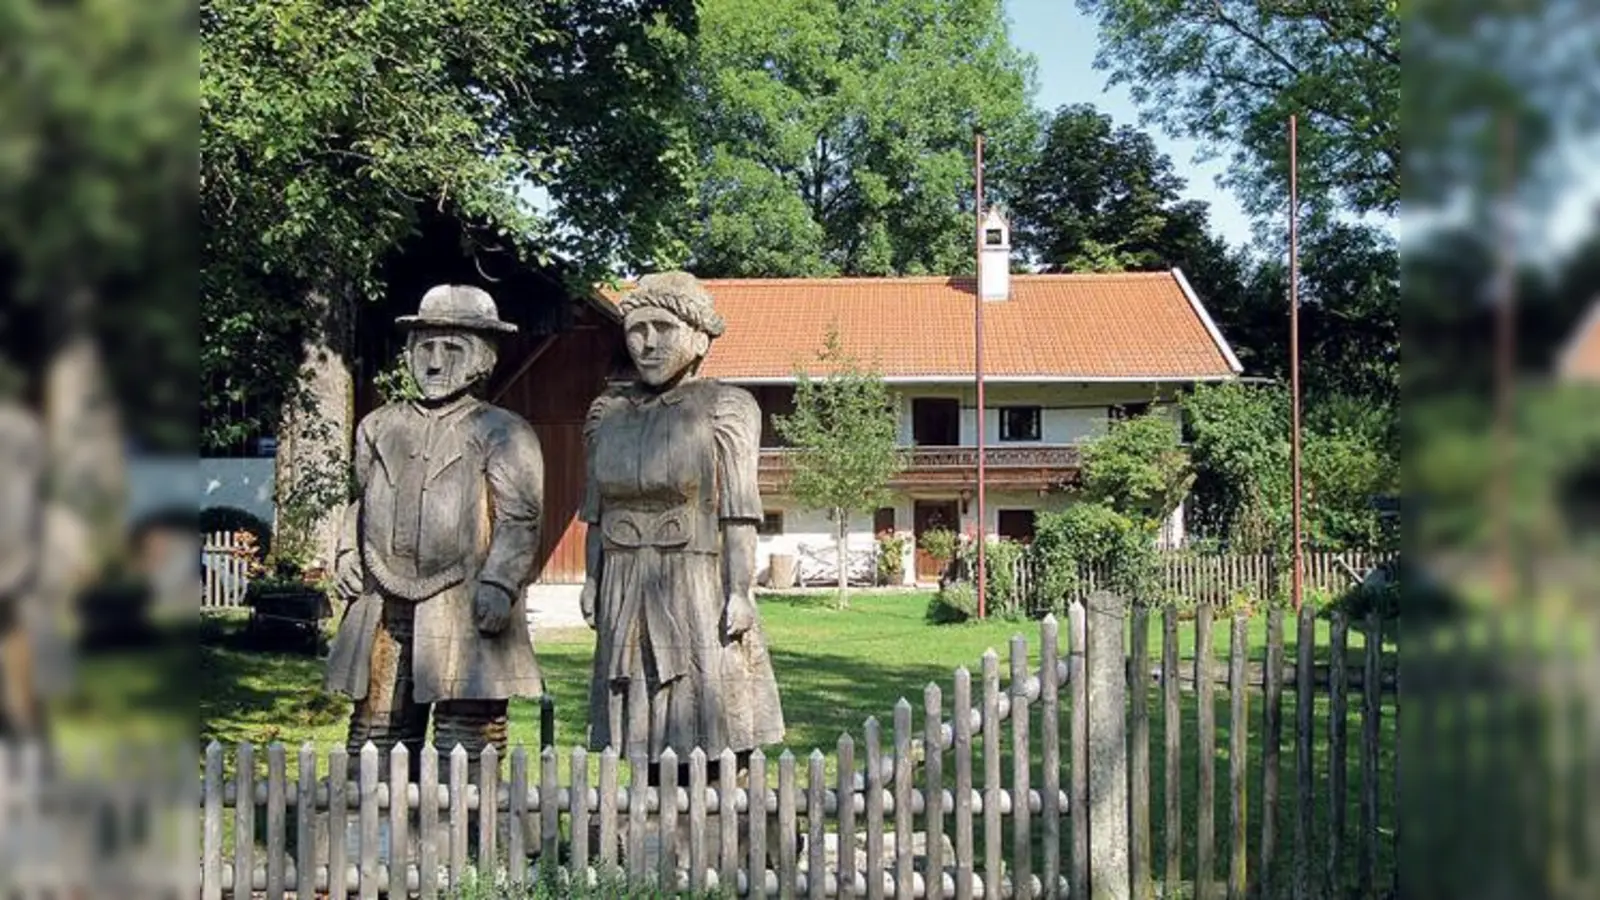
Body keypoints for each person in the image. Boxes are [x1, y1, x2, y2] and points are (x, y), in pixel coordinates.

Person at [324, 285, 544, 777]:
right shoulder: (379, 425)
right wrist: (346, 555)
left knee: (467, 729)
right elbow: (360, 500)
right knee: (376, 723)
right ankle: (372, 816)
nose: (435, 362)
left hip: (462, 600)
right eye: (425, 347)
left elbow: (520, 518)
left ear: (483, 358)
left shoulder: (503, 431)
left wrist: (500, 582)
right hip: (384, 599)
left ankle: (463, 822)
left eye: (452, 349)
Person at [580, 271, 784, 776]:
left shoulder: (726, 407)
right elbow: (594, 512)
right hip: (625, 576)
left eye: (662, 328)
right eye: (636, 329)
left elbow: (739, 512)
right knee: (634, 693)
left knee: (706, 691)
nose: (646, 343)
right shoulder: (607, 414)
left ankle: (718, 794)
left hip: (695, 579)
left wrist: (740, 590)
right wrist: (591, 579)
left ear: (697, 337)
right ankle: (646, 800)